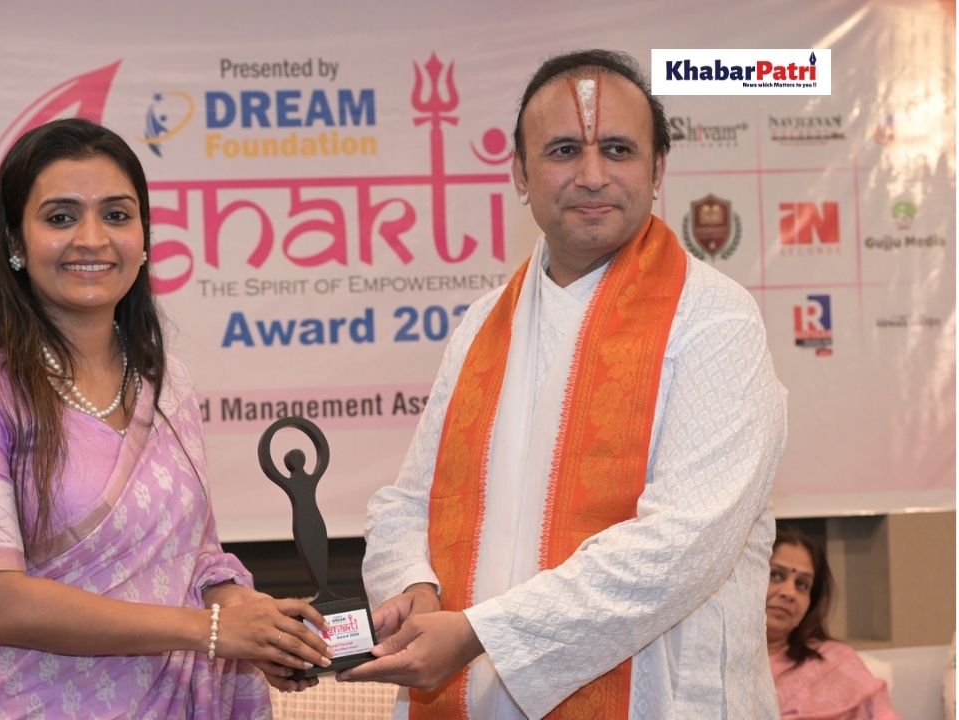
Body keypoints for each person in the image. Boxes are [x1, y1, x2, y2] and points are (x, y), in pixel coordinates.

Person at [341, 49, 788, 718]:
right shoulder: (481, 325)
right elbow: (409, 503)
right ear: (521, 173)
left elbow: (683, 546)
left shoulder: (713, 318)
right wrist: (415, 585)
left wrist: (481, 633)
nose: (592, 175)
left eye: (618, 149)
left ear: (658, 169)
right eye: (563, 151)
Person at [0, 118, 330, 718]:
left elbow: (197, 558)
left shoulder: (165, 383)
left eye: (117, 215)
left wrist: (253, 622)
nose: (92, 238)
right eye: (60, 217)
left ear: (144, 238)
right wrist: (209, 631)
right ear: (15, 242)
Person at [768, 527, 900, 719]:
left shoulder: (836, 661)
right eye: (776, 575)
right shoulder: (722, 667)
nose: (789, 593)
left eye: (802, 584)